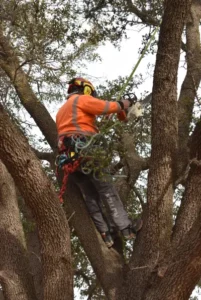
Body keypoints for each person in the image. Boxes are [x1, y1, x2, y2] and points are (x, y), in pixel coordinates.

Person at [56, 77, 142, 248]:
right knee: (106, 189)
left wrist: (119, 111)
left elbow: (114, 114)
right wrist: (125, 102)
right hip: (87, 150)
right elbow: (106, 107)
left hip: (70, 157)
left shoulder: (62, 110)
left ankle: (106, 233)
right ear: (87, 90)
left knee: (90, 195)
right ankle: (126, 228)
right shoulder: (81, 100)